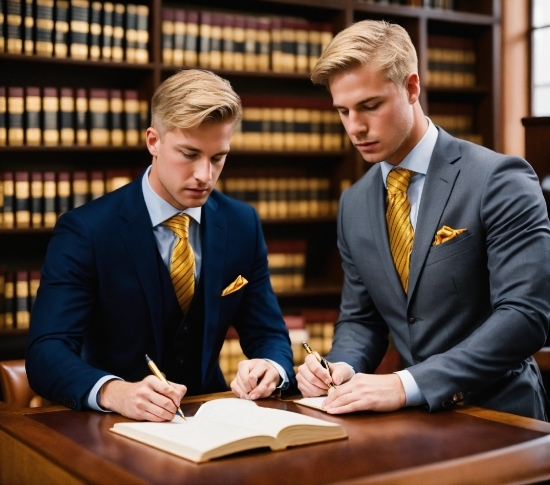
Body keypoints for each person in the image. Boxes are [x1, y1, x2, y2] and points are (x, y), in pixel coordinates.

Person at [296, 20, 550, 420]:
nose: (354, 127)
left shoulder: (499, 179)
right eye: (343, 111)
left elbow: (525, 316)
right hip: (413, 423)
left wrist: (405, 383)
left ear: (412, 87)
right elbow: (362, 320)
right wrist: (340, 365)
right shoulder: (354, 203)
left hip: (503, 416)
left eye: (369, 105)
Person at [26, 69, 296, 421]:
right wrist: (115, 391)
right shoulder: (87, 231)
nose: (205, 175)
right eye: (189, 154)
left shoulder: (243, 224)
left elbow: (269, 334)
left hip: (210, 419)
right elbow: (46, 352)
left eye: (218, 158)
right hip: (114, 424)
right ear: (153, 141)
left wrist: (271, 366)